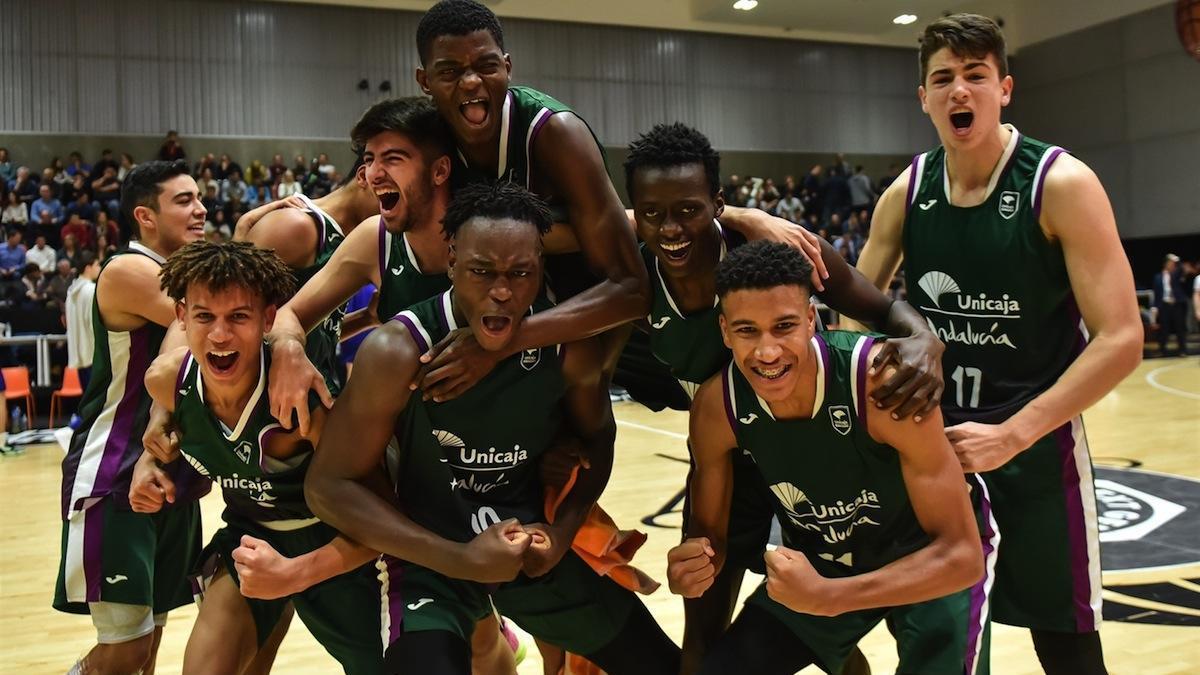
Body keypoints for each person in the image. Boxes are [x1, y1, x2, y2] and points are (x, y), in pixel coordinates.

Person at [853, 14, 1142, 674]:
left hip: (1037, 447)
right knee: (950, 648)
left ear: (1004, 88)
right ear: (922, 98)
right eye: (943, 78)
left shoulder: (1061, 184)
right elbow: (852, 317)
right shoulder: (906, 192)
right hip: (936, 451)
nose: (961, 91)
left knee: (1068, 648)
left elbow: (1122, 338)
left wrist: (1014, 433)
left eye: (976, 76)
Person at [305, 182, 681, 675]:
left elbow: (598, 441)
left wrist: (562, 532)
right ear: (452, 259)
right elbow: (327, 487)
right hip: (427, 560)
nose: (502, 292)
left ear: (540, 267)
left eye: (520, 273)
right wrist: (461, 559)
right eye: (483, 271)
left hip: (527, 549)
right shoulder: (399, 349)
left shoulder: (569, 347)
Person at [624, 122, 950, 673]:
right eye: (651, 213)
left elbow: (881, 307)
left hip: (809, 455)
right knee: (702, 628)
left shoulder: (777, 248)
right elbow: (552, 228)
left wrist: (923, 338)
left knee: (822, 610)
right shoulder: (630, 272)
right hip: (725, 456)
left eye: (690, 210)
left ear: (716, 205)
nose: (672, 228)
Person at [410, 0, 826, 406]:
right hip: (516, 317)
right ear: (424, 81)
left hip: (602, 328)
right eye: (450, 71)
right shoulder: (418, 143)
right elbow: (364, 213)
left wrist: (498, 344)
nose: (469, 82)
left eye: (485, 65)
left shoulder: (556, 134)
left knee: (716, 416)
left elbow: (629, 287)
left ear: (508, 66)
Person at [671, 241, 990, 675]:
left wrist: (831, 598)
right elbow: (709, 541)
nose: (766, 352)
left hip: (927, 558)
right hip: (827, 560)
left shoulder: (883, 384)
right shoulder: (715, 407)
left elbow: (961, 556)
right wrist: (693, 564)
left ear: (810, 320)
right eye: (747, 331)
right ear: (725, 332)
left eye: (783, 326)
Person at [132, 241, 381, 674]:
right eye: (204, 316)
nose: (220, 335)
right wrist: (149, 460)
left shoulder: (304, 402)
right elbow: (168, 402)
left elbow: (383, 521)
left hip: (337, 542)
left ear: (268, 319)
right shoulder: (166, 383)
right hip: (251, 536)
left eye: (239, 317)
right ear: (182, 317)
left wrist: (295, 573)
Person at [53, 160, 211, 675]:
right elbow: (216, 325)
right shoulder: (129, 269)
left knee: (147, 648)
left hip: (172, 471)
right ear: (145, 215)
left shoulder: (189, 276)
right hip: (115, 470)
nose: (201, 209)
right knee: (123, 651)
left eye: (200, 198)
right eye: (183, 200)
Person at [66, 251, 101, 390]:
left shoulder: (71, 290)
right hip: (93, 354)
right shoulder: (91, 290)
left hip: (79, 354)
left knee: (87, 401)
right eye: (97, 264)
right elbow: (94, 323)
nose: (99, 268)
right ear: (88, 267)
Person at [1152, 254, 1189, 357]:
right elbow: (1157, 294)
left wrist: (1177, 259)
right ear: (1165, 264)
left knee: (1180, 327)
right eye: (1170, 263)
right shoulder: (1158, 277)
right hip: (1164, 305)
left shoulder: (1176, 274)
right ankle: (1162, 350)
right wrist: (1155, 308)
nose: (1172, 265)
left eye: (1173, 264)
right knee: (1164, 328)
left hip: (1176, 304)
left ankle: (1182, 350)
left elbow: (1181, 268)